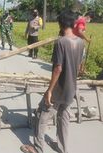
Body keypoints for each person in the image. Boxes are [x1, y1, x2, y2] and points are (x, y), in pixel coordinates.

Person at [20, 10, 84, 153]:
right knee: (63, 118)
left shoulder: (60, 42)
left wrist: (49, 90)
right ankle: (62, 148)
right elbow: (79, 67)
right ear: (73, 24)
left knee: (41, 116)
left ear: (60, 24)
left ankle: (37, 148)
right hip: (71, 89)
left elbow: (58, 68)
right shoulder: (80, 42)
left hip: (58, 90)